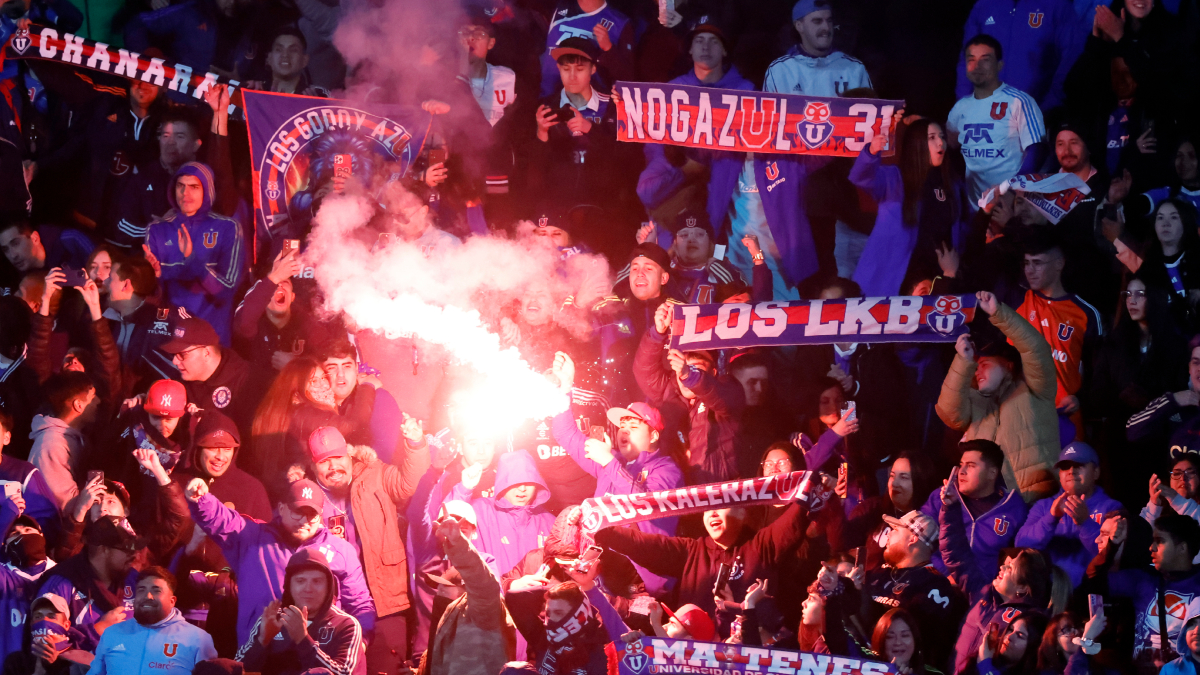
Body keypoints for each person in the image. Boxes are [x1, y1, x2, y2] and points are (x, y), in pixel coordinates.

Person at [183, 477, 376, 646]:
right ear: (282, 508)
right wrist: (201, 499)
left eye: (312, 514)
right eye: (297, 511)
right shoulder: (253, 538)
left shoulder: (342, 551)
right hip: (261, 653)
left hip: (318, 655)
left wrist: (362, 641)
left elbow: (360, 603)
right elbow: (224, 520)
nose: (304, 520)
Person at [305, 422, 430, 675]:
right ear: (312, 464)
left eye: (338, 457)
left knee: (388, 669)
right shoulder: (307, 497)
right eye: (324, 461)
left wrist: (416, 444)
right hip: (338, 609)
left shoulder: (375, 474)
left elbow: (407, 482)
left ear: (349, 454)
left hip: (386, 601)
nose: (333, 467)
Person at [593, 498, 818, 638]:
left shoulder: (761, 546)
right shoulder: (691, 550)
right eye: (707, 508)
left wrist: (812, 490)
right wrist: (601, 527)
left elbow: (793, 521)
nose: (712, 513)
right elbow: (643, 544)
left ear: (742, 512)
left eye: (721, 506)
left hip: (747, 653)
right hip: (696, 656)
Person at [936, 291, 1059, 502]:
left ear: (1008, 364)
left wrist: (998, 313)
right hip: (985, 506)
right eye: (976, 368)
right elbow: (949, 413)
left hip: (1033, 502)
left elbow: (1035, 348)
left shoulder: (1035, 388)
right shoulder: (975, 401)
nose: (978, 371)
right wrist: (962, 362)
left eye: (985, 364)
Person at [852, 115, 971, 297]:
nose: (940, 143)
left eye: (942, 137)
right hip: (893, 277)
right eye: (932, 138)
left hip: (936, 277)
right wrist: (871, 152)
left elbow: (960, 226)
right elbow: (861, 177)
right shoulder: (895, 179)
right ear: (917, 144)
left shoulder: (952, 183)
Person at [635, 301, 745, 483]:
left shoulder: (727, 389)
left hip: (715, 492)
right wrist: (657, 333)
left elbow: (722, 398)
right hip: (674, 491)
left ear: (713, 373)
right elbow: (643, 370)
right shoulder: (668, 389)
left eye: (697, 368)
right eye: (682, 368)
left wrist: (691, 375)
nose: (684, 375)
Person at [145, 162, 246, 346]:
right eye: (180, 186)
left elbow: (227, 290)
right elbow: (153, 296)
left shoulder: (227, 228)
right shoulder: (158, 229)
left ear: (207, 190)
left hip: (211, 338)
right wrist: (152, 277)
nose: (185, 193)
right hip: (169, 338)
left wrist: (193, 260)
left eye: (194, 187)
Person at [1086, 513, 1200, 675]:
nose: (1151, 547)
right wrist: (1112, 545)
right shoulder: (1143, 578)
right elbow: (1094, 580)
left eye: (1159, 541)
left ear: (1182, 548)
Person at [946, 35, 1046, 205]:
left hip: (1010, 208)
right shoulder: (960, 108)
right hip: (973, 211)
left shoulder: (1020, 101)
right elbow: (946, 145)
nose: (977, 66)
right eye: (971, 60)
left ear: (1000, 65)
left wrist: (1010, 191)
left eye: (985, 60)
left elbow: (1037, 150)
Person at [1013, 231, 1103, 414]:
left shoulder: (1086, 314)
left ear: (1059, 264)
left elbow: (1099, 372)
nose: (1029, 270)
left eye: (1037, 263)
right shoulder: (1021, 305)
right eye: (1026, 263)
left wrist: (1082, 399)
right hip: (1024, 414)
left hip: (1065, 417)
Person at [235, 549, 366, 675]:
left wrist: (303, 639)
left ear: (328, 587)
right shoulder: (273, 619)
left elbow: (344, 673)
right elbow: (236, 668)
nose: (308, 588)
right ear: (289, 586)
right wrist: (263, 640)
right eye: (300, 581)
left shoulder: (346, 624)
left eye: (317, 581)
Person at [527, 37, 620, 210]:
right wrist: (542, 134)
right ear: (558, 69)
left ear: (593, 69)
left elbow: (622, 157)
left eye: (579, 69)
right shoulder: (545, 107)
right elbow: (534, 168)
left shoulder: (611, 104)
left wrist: (590, 129)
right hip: (557, 205)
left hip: (601, 204)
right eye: (566, 68)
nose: (572, 76)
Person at [1014, 442, 1123, 586]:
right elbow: (1021, 544)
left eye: (1079, 465)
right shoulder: (1044, 506)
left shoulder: (1111, 507)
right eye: (1065, 467)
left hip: (1091, 591)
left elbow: (1114, 557)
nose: (1071, 471)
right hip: (1049, 591)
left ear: (1096, 472)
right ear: (1059, 475)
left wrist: (1085, 523)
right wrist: (1051, 518)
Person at [419, 515, 516, 675]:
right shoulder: (450, 619)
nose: (440, 592)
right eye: (440, 586)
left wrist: (458, 542)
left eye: (446, 587)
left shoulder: (483, 611)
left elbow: (482, 581)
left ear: (466, 588)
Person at [925, 439, 1028, 588]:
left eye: (971, 466)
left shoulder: (1013, 507)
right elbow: (918, 538)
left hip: (983, 592)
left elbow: (1020, 557)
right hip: (937, 582)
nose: (962, 471)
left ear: (992, 473)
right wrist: (946, 574)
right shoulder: (942, 497)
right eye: (961, 465)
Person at [36, 517, 142, 651]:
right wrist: (98, 630)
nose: (134, 554)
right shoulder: (61, 582)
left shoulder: (134, 579)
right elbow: (45, 645)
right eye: (127, 548)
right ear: (104, 549)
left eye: (135, 547)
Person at [87, 567, 218, 675]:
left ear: (172, 601)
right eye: (141, 590)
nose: (147, 596)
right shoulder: (113, 633)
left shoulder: (198, 639)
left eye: (156, 591)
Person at [159, 316, 268, 437]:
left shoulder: (249, 381)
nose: (175, 361)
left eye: (182, 355)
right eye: (174, 354)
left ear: (206, 353)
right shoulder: (180, 383)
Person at [450, 449, 554, 575]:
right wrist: (464, 489)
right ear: (502, 482)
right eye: (515, 482)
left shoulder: (550, 522)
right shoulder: (481, 511)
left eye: (528, 482)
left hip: (538, 594)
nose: (522, 489)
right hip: (492, 593)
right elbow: (449, 524)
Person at [953, 548, 1052, 675]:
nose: (1002, 567)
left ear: (1022, 587)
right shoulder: (986, 595)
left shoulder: (1031, 622)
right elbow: (956, 557)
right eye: (1010, 630)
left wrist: (985, 664)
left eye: (1010, 568)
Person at [232, 247, 325, 371]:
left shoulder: (307, 325)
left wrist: (297, 365)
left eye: (285, 283)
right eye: (274, 286)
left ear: (292, 297)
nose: (279, 285)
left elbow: (326, 356)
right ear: (264, 299)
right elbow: (244, 321)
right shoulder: (254, 325)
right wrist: (273, 278)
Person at [174, 409, 272, 523]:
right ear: (198, 449)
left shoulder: (253, 490)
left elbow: (265, 537)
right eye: (213, 448)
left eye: (227, 449)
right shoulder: (176, 484)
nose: (220, 456)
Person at [763, 0, 871, 96]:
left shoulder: (855, 69)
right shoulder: (779, 70)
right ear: (799, 26)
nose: (826, 27)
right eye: (817, 21)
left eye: (829, 20)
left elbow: (870, 115)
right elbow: (768, 117)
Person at [28, 371, 100, 509]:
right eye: (94, 397)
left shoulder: (77, 437)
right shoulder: (51, 445)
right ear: (79, 405)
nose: (99, 402)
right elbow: (67, 505)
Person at [537, 0, 633, 98]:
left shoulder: (620, 22)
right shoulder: (557, 9)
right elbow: (549, 65)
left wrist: (609, 49)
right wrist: (545, 99)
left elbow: (629, 80)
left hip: (602, 106)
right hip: (560, 103)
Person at [0, 220, 94, 283]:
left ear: (35, 238)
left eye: (15, 243)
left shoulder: (70, 240)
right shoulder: (21, 279)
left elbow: (105, 273)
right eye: (6, 249)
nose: (12, 255)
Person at [975, 612, 1050, 675]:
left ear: (1035, 647)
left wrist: (985, 663)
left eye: (1020, 636)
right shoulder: (988, 656)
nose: (1009, 637)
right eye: (1011, 629)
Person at [1037, 611, 1110, 675]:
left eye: (1078, 626)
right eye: (1068, 630)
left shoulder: (1107, 672)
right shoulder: (1047, 673)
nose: (1077, 632)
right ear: (1056, 643)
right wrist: (1086, 640)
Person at [871, 608, 938, 675]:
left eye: (905, 635)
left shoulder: (933, 674)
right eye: (890, 637)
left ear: (915, 639)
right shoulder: (868, 668)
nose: (898, 642)